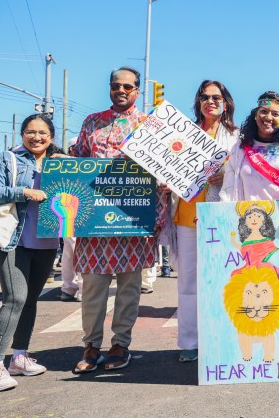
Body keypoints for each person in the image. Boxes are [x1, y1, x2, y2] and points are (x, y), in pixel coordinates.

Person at [72, 66, 165, 373]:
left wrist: (157, 217)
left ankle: (120, 344)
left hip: (133, 222)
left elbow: (162, 173)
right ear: (110, 88)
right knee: (93, 287)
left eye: (128, 86)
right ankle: (91, 345)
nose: (121, 90)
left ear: (137, 90)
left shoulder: (150, 125)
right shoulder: (91, 123)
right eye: (116, 85)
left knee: (129, 287)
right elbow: (79, 167)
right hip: (95, 224)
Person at [0, 114, 63, 392]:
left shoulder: (59, 162)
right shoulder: (7, 159)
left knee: (30, 301)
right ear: (22, 133)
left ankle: (19, 356)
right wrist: (23, 192)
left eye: (42, 132)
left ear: (51, 136)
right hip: (13, 240)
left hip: (47, 241)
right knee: (14, 299)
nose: (36, 137)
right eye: (30, 132)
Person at [161, 79, 239, 363]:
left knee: (223, 279)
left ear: (226, 102)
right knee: (189, 282)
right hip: (186, 216)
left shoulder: (238, 136)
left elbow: (244, 170)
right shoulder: (184, 133)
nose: (211, 101)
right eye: (205, 97)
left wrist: (227, 174)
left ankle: (223, 337)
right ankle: (191, 342)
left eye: (216, 97)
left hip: (221, 213)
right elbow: (165, 167)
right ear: (198, 102)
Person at [220, 90, 279, 202]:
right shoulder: (239, 148)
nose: (268, 118)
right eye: (264, 111)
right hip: (251, 217)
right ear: (255, 115)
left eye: (275, 114)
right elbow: (229, 187)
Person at [59, 137, 82, 302]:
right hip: (68, 212)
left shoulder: (90, 163)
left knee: (82, 250)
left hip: (86, 212)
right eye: (75, 147)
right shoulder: (63, 165)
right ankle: (69, 287)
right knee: (69, 250)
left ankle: (81, 288)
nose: (77, 150)